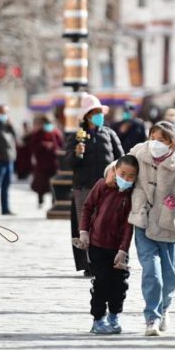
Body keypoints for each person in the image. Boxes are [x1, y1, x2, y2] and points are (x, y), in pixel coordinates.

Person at [119, 121, 175, 336]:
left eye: (161, 140)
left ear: (172, 143)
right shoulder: (138, 153)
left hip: (168, 225)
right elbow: (119, 168)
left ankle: (164, 308)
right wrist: (112, 178)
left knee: (170, 277)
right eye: (152, 138)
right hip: (142, 223)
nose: (155, 143)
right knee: (152, 273)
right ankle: (152, 317)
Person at [77, 154, 138, 335]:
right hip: (97, 245)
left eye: (131, 176)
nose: (126, 179)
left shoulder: (132, 195)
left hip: (117, 249)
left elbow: (129, 225)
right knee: (101, 283)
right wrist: (84, 232)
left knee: (119, 284)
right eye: (122, 173)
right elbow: (87, 207)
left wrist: (123, 249)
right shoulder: (102, 185)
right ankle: (98, 319)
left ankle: (114, 316)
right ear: (114, 171)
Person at [66, 94, 124, 275]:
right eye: (96, 113)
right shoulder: (77, 137)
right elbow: (67, 163)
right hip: (84, 187)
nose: (100, 116)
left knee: (106, 223)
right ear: (87, 116)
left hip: (108, 187)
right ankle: (88, 263)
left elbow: (121, 158)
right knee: (85, 225)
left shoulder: (109, 133)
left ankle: (105, 260)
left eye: (101, 112)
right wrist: (77, 153)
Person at [30, 115, 64, 208]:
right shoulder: (38, 133)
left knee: (54, 183)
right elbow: (33, 146)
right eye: (46, 123)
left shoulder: (56, 133)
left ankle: (54, 200)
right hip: (42, 163)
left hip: (53, 163)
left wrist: (53, 147)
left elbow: (61, 146)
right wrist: (43, 145)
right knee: (41, 183)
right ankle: (40, 199)